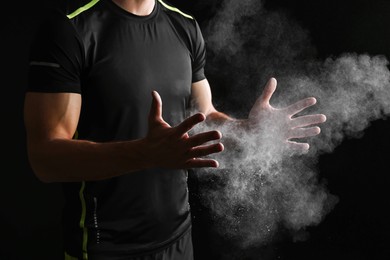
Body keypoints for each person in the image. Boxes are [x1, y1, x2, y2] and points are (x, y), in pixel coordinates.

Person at [23, 0, 326, 259]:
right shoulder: (70, 29)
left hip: (178, 241)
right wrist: (144, 154)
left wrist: (247, 131)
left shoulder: (184, 26)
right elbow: (45, 157)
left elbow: (204, 115)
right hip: (104, 248)